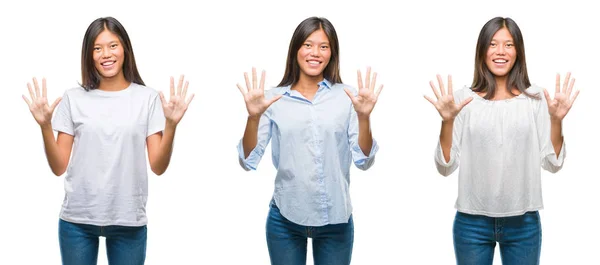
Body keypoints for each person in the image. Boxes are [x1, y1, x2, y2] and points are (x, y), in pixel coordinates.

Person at [21, 16, 194, 265]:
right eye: (97, 48)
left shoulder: (148, 99)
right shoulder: (73, 98)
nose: (106, 54)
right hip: (77, 220)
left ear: (125, 48)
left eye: (113, 45)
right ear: (89, 55)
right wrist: (45, 126)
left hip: (128, 220)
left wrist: (171, 125)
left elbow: (158, 166)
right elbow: (59, 166)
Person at [424, 17, 580, 265]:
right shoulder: (463, 100)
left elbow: (553, 163)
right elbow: (445, 167)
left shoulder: (537, 99)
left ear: (518, 51)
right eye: (493, 44)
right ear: (482, 50)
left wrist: (557, 120)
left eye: (508, 45)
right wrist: (447, 121)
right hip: (471, 223)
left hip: (524, 223)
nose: (500, 51)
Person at [236, 16, 382, 265]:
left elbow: (364, 160)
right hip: (285, 219)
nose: (315, 53)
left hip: (336, 219)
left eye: (323, 46)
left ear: (332, 53)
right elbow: (248, 160)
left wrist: (364, 116)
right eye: (308, 44)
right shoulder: (272, 99)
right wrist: (253, 117)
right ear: (295, 50)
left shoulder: (348, 97)